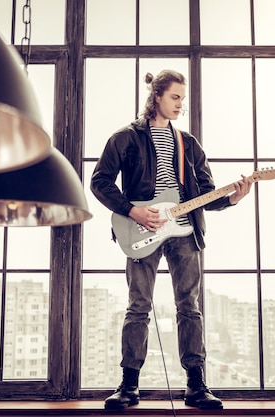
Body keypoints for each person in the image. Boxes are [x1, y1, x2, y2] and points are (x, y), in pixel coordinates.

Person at [90, 69, 252, 411]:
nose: (181, 104)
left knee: (189, 307)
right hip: (142, 227)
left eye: (183, 98)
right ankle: (128, 386)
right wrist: (133, 211)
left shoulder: (188, 143)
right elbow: (100, 181)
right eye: (175, 97)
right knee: (138, 307)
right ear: (157, 97)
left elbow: (208, 193)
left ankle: (196, 385)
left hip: (185, 232)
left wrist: (234, 197)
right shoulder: (125, 138)